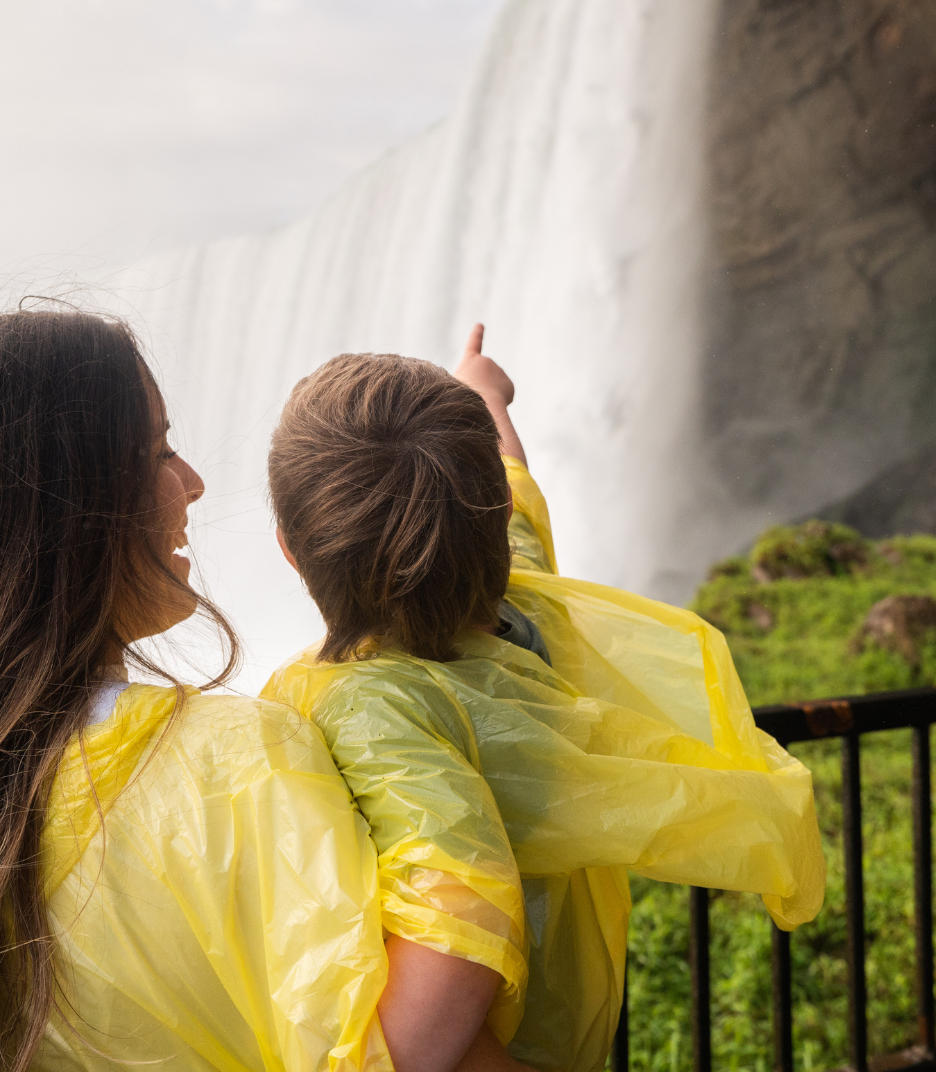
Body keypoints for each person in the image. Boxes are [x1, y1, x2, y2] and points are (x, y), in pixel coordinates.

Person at [0, 312, 526, 1072]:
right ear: (59, 512)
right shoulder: (235, 764)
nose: (191, 482)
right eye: (157, 450)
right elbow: (379, 1048)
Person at [263, 326, 827, 1072]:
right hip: (571, 1029)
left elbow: (454, 931)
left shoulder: (366, 711)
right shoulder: (528, 620)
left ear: (291, 551)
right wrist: (483, 395)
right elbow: (512, 491)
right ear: (490, 522)